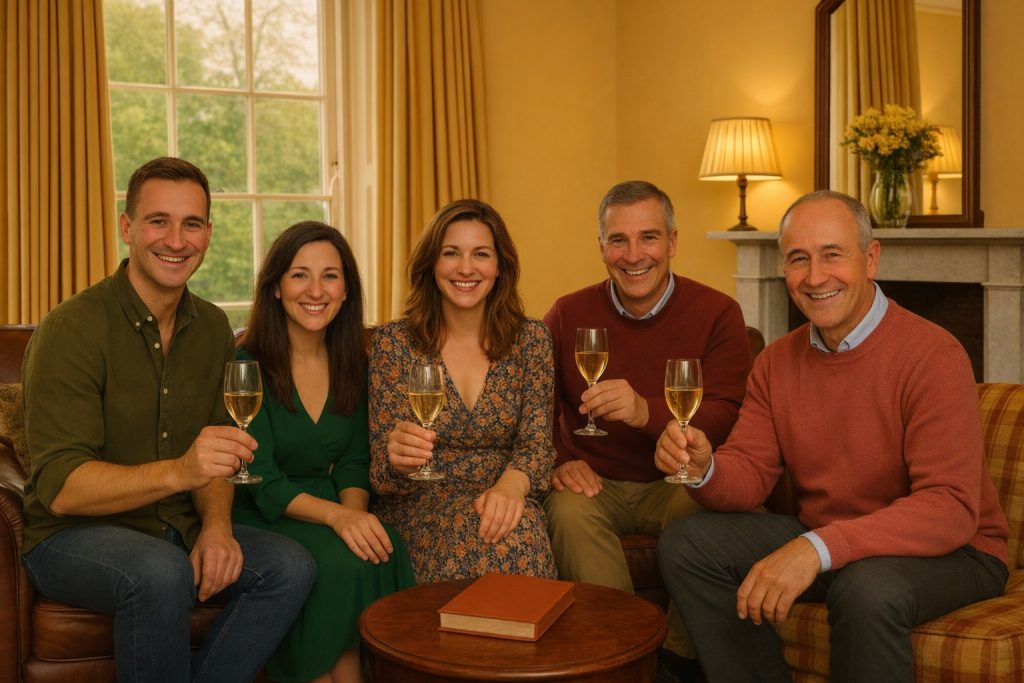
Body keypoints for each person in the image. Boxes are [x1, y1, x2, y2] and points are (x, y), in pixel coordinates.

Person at [655, 190, 1009, 682]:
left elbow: (949, 507)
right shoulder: (776, 362)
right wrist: (704, 467)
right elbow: (750, 474)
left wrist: (814, 549)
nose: (815, 277)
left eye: (832, 254)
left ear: (870, 258)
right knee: (687, 542)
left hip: (958, 552)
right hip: (835, 539)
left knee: (866, 586)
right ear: (784, 269)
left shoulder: (934, 354)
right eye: (799, 259)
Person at [20, 157, 316, 683]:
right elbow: (62, 488)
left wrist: (220, 529)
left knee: (290, 567)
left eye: (192, 224)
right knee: (160, 573)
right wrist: (181, 471)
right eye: (159, 221)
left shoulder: (212, 329)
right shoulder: (72, 329)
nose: (176, 240)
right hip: (72, 536)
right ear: (127, 227)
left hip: (177, 526)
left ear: (208, 234)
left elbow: (219, 456)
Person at [541, 180, 750, 660]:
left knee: (710, 512)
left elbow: (726, 414)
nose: (634, 255)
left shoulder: (718, 313)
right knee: (568, 512)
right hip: (594, 482)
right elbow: (535, 403)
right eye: (619, 240)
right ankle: (625, 656)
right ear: (602, 249)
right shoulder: (568, 312)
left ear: (673, 242)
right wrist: (558, 459)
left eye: (649, 237)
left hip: (677, 480)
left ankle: (673, 658)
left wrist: (646, 412)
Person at [233, 221, 416, 683]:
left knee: (381, 547)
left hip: (327, 502)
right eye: (300, 275)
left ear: (346, 289)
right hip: (262, 510)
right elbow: (263, 480)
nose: (316, 290)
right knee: (335, 561)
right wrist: (339, 521)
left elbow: (356, 460)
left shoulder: (355, 359)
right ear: (276, 288)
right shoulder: (245, 365)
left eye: (330, 276)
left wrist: (356, 516)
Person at [369, 198, 557, 582]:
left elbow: (537, 446)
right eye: (451, 253)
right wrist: (399, 460)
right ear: (431, 264)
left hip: (507, 495)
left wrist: (510, 488)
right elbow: (380, 476)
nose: (466, 268)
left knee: (519, 538)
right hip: (422, 505)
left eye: (481, 254)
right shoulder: (394, 343)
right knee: (476, 545)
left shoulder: (532, 339)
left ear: (500, 265)